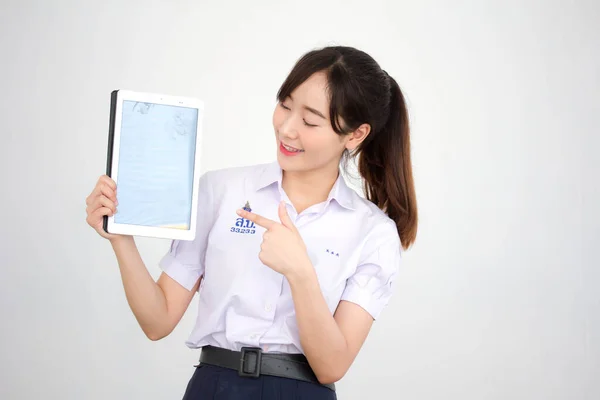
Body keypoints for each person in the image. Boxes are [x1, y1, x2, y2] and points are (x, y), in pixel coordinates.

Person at [85, 45, 418, 399]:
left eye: (309, 121)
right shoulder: (221, 190)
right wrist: (120, 237)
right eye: (285, 105)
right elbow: (157, 321)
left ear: (355, 135)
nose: (287, 129)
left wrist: (300, 272)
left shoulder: (373, 232)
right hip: (214, 387)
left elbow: (332, 366)